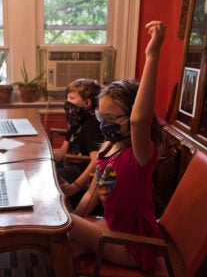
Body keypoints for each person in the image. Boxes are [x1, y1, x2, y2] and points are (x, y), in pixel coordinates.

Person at [68, 20, 166, 270]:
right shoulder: (107, 147)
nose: (104, 124)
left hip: (134, 245)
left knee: (59, 222)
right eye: (102, 117)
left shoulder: (140, 153)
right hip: (111, 231)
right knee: (59, 248)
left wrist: (152, 55)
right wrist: (77, 221)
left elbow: (139, 120)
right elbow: (92, 194)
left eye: (112, 119)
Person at [53, 78, 104, 209]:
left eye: (71, 98)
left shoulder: (90, 124)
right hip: (71, 163)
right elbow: (63, 152)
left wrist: (75, 186)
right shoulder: (76, 121)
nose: (67, 102)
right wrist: (43, 154)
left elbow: (96, 160)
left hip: (82, 169)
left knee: (49, 179)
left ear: (87, 103)